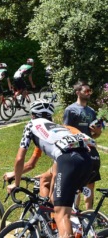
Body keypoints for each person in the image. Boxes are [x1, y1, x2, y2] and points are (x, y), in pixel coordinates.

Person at [7, 99, 93, 237]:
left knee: (60, 213)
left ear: (33, 115)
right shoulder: (59, 128)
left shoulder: (31, 125)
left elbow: (19, 159)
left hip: (68, 161)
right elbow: (58, 163)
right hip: (86, 161)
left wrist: (16, 184)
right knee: (57, 202)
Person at [63, 80, 102, 210]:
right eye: (86, 91)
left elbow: (95, 135)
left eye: (90, 91)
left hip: (91, 150)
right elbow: (65, 129)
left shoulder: (91, 111)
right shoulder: (71, 110)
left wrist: (97, 132)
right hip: (77, 150)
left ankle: (89, 213)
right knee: (77, 183)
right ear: (78, 92)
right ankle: (75, 211)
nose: (89, 93)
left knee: (90, 184)